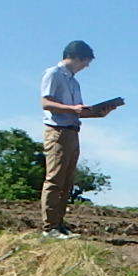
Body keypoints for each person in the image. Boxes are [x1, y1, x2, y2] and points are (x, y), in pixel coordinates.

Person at [38, 40, 121, 238]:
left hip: (73, 131)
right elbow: (45, 102)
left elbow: (77, 112)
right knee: (55, 178)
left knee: (67, 181)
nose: (86, 66)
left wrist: (99, 113)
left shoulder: (74, 81)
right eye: (85, 61)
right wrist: (73, 109)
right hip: (57, 131)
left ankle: (59, 224)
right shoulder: (53, 73)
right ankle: (49, 227)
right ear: (76, 57)